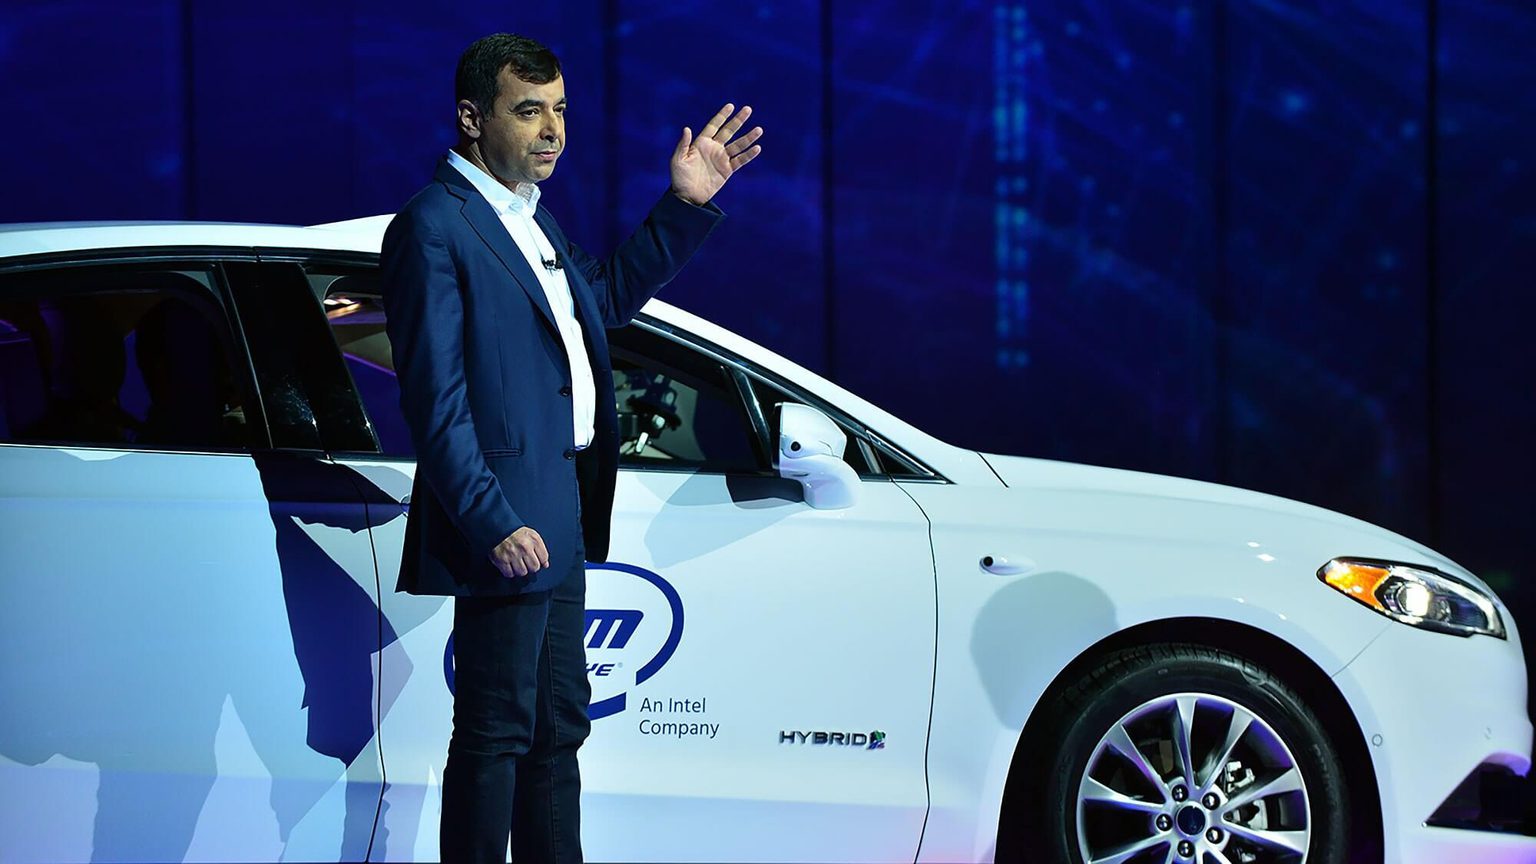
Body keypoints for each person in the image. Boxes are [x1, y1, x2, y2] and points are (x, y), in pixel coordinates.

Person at [380, 32, 762, 863]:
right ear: (471, 117)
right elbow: (435, 401)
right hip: (507, 523)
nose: (552, 131)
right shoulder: (435, 227)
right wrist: (490, 520)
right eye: (529, 112)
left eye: (559, 111)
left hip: (560, 516)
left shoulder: (529, 218)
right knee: (494, 735)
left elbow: (612, 297)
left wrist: (685, 204)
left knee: (557, 729)